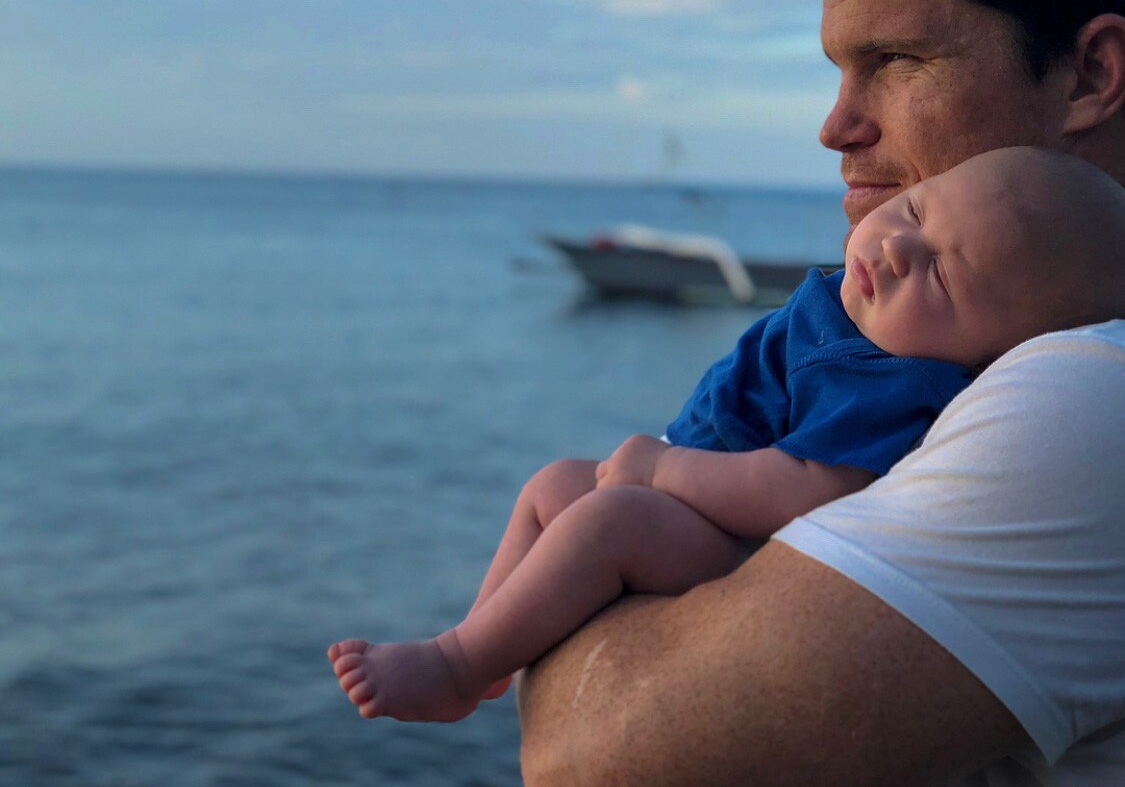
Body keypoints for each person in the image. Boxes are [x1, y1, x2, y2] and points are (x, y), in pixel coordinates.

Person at [517, 0, 1125, 787]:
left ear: (1092, 73)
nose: (836, 126)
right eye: (840, 69)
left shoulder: (1089, 394)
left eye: (896, 59)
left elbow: (593, 753)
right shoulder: (941, 358)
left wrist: (609, 560)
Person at [328, 146, 1124, 727]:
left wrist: (664, 468)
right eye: (914, 210)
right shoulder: (857, 312)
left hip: (742, 549)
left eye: (942, 277)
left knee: (608, 521)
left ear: (987, 351)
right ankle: (487, 642)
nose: (894, 246)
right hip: (698, 494)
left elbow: (807, 486)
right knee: (550, 487)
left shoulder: (900, 380)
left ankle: (456, 665)